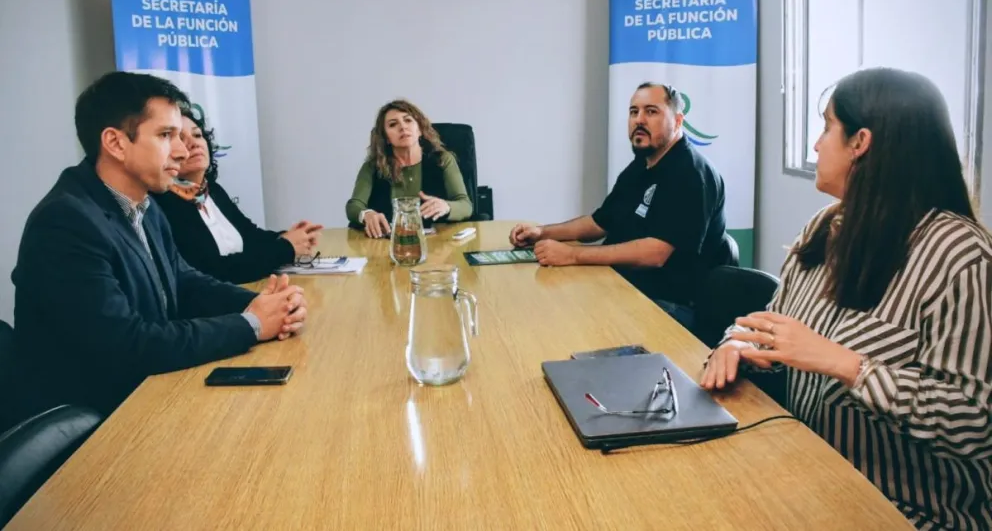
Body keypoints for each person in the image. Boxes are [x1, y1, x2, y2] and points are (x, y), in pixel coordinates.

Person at [701, 68, 991, 529]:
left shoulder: (960, 254)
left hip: (909, 511)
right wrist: (737, 343)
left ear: (861, 142)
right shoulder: (825, 226)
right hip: (809, 477)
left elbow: (976, 423)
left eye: (826, 127)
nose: (816, 145)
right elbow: (773, 327)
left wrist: (848, 365)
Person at [10, 72, 308, 420]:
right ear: (116, 143)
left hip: (148, 394)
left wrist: (262, 304)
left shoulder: (145, 205)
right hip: (96, 423)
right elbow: (126, 345)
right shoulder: (65, 222)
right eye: (167, 135)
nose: (182, 152)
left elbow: (184, 282)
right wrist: (253, 324)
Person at [509, 82, 732, 321]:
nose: (639, 120)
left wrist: (572, 255)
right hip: (625, 286)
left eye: (651, 111)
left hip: (671, 305)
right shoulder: (642, 165)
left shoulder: (692, 174)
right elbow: (598, 223)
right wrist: (542, 232)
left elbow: (655, 254)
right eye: (634, 112)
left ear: (678, 121)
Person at [152, 105, 322, 284]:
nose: (194, 143)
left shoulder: (213, 191)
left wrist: (291, 236)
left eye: (197, 135)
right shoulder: (164, 203)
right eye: (179, 138)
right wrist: (286, 248)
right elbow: (215, 270)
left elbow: (250, 236)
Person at [346, 99, 473, 238]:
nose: (402, 127)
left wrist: (446, 207)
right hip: (385, 245)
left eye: (408, 120)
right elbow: (354, 205)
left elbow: (466, 205)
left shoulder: (442, 160)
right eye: (393, 124)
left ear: (419, 129)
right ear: (386, 137)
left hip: (436, 243)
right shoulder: (373, 166)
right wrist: (366, 214)